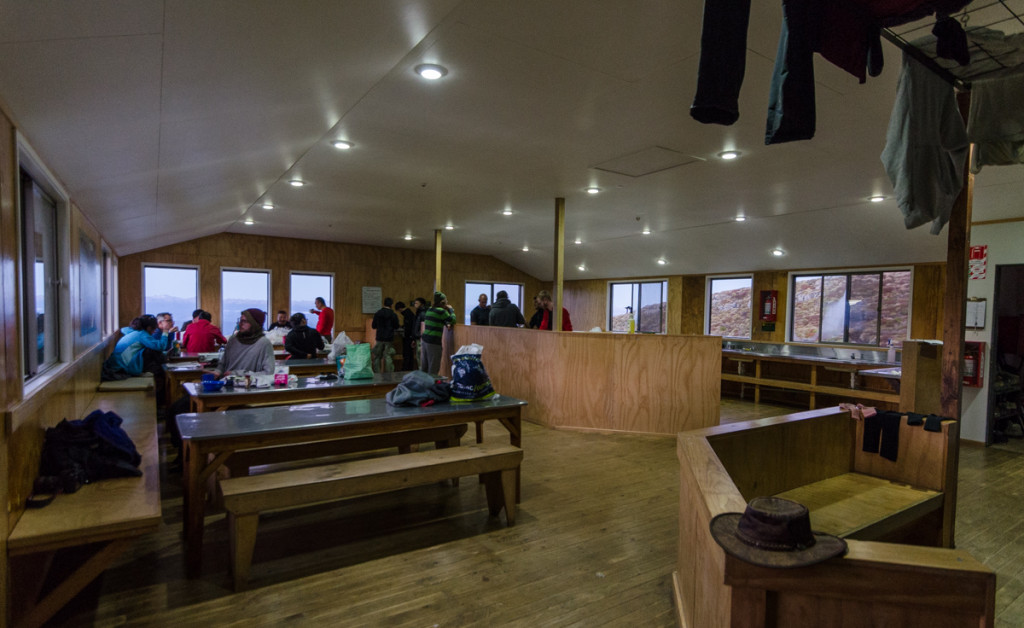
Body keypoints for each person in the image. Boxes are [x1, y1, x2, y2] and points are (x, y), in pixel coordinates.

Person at [101, 315, 171, 392]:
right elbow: (160, 346)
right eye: (153, 329)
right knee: (155, 357)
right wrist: (165, 331)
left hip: (117, 365)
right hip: (123, 367)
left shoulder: (132, 332)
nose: (154, 331)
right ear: (148, 328)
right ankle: (163, 395)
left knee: (155, 355)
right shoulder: (141, 335)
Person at [214, 308, 276, 377]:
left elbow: (268, 373)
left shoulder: (264, 343)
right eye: (240, 320)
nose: (240, 324)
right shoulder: (233, 339)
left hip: (249, 385)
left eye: (244, 321)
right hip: (227, 383)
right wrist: (217, 372)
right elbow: (223, 364)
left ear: (254, 324)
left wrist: (239, 374)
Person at [420, 292, 456, 375]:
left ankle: (423, 386)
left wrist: (446, 323)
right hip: (433, 342)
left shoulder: (430, 309)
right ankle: (432, 387)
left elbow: (438, 320)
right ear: (442, 302)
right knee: (433, 368)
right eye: (446, 301)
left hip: (425, 340)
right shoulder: (441, 311)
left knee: (424, 367)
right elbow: (453, 320)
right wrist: (451, 310)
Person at [371, 297, 400, 372]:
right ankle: (389, 374)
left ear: (384, 303)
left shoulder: (378, 313)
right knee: (388, 356)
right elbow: (396, 326)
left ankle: (377, 373)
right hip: (389, 338)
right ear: (391, 304)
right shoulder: (393, 315)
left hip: (379, 337)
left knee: (378, 356)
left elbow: (373, 326)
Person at [396, 301, 415, 367]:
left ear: (400, 309)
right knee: (410, 353)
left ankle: (406, 367)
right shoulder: (409, 313)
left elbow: (408, 327)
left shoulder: (407, 314)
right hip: (410, 337)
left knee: (407, 353)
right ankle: (409, 366)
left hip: (408, 337)